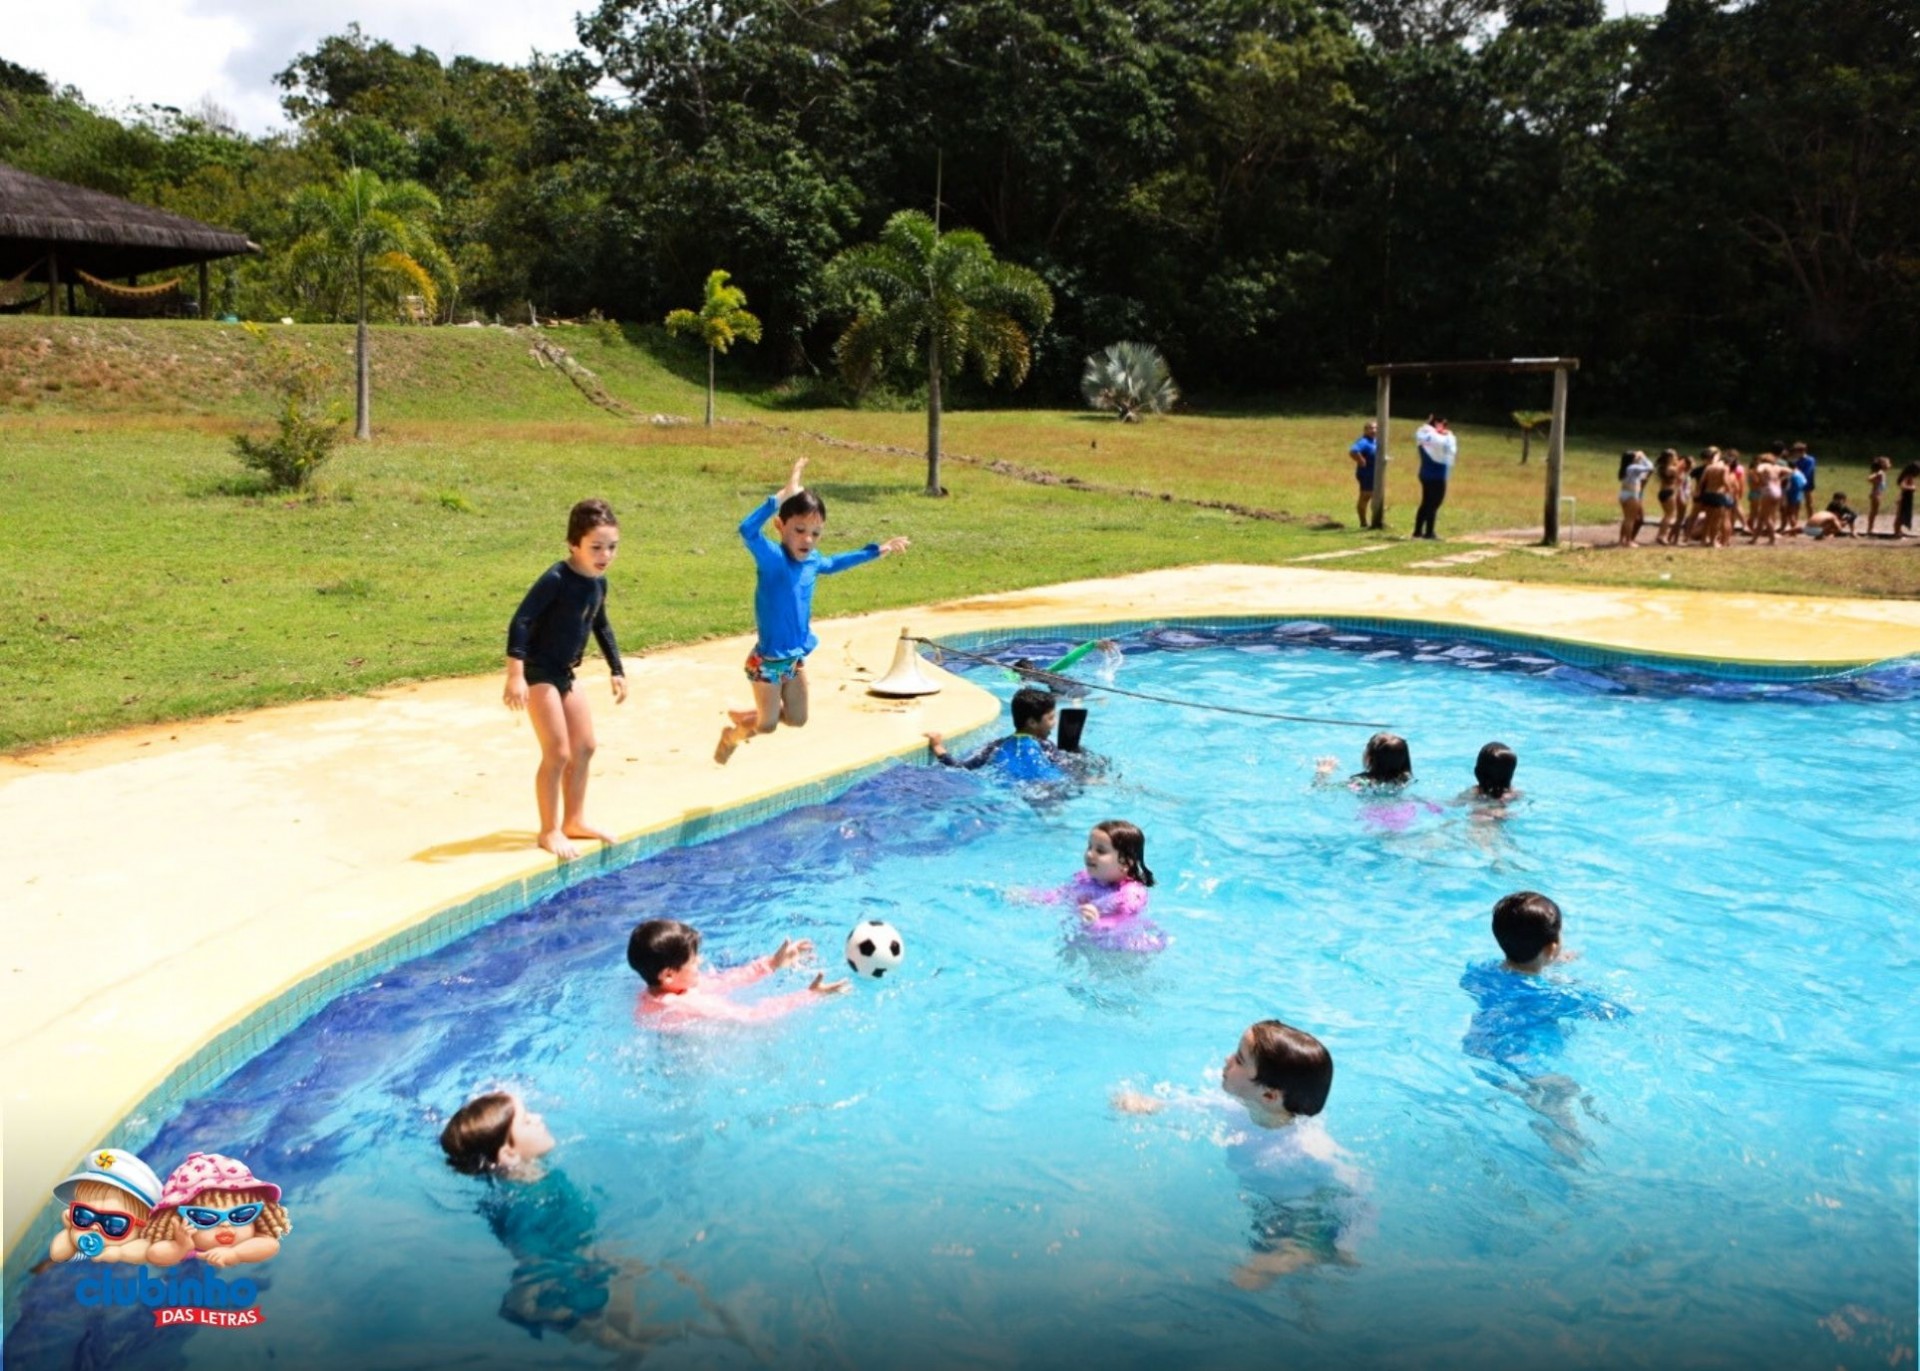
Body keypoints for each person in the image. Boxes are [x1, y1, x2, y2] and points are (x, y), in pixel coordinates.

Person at [440, 1092, 741, 1354]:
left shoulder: (532, 1177)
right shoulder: (526, 1207)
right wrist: (544, 1302)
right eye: (527, 1120)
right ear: (508, 1153)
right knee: (628, 1342)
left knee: (654, 1309)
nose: (539, 1116)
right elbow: (532, 1262)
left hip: (581, 1256)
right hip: (564, 1283)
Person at [1112, 1021, 1363, 1287]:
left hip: (1313, 1219)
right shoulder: (1237, 1109)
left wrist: (1308, 1243)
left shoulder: (1298, 1151)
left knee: (1248, 1280)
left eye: (1240, 1060)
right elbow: (1183, 1107)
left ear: (1269, 1095)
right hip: (1274, 1205)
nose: (1227, 1059)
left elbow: (1338, 1197)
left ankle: (1311, 1257)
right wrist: (1146, 1105)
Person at [717, 458, 910, 763]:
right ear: (780, 526)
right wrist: (783, 494)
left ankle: (750, 713)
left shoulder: (813, 561)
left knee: (797, 719)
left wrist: (877, 550)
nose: (807, 539)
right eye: (800, 529)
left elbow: (836, 563)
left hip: (794, 659)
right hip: (766, 661)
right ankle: (733, 735)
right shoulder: (772, 559)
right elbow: (746, 530)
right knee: (766, 726)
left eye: (815, 533)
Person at [1460, 894, 1629, 1160]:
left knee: (1538, 1096)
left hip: (1480, 1046)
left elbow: (1474, 982)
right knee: (1563, 1096)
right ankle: (1573, 1166)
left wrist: (1548, 961)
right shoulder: (1551, 996)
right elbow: (1613, 1012)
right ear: (1552, 949)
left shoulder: (1480, 971)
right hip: (1523, 1060)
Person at [505, 498, 628, 861]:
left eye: (611, 547)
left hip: (565, 672)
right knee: (557, 753)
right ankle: (549, 829)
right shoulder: (557, 578)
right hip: (539, 671)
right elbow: (521, 621)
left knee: (585, 746)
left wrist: (616, 668)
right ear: (574, 544)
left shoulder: (597, 583)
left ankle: (574, 820)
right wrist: (515, 675)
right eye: (596, 547)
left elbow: (600, 625)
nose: (605, 554)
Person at [628, 918, 847, 1026]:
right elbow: (753, 1016)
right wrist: (809, 995)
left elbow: (726, 981)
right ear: (668, 975)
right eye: (694, 961)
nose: (701, 961)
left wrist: (772, 963)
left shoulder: (659, 991)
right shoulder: (683, 1004)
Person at [1039, 820, 1164, 951]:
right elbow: (1061, 895)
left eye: (1100, 851)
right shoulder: (1086, 878)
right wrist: (1032, 897)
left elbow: (1123, 924)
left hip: (1120, 950)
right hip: (1088, 939)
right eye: (1089, 847)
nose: (1089, 854)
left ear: (1126, 863)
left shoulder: (1131, 894)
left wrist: (1096, 923)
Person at [925, 686, 1073, 781]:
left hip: (1013, 789)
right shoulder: (1046, 746)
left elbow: (960, 768)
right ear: (1032, 722)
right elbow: (1068, 770)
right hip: (1047, 787)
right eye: (1051, 718)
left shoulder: (994, 746)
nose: (1054, 722)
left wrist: (938, 747)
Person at [1410, 415, 1456, 540]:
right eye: (1444, 424)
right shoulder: (1440, 437)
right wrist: (1448, 434)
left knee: (1426, 502)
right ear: (1437, 423)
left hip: (1425, 473)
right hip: (1437, 474)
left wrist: (1440, 431)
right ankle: (1429, 533)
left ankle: (1417, 532)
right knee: (1435, 503)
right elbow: (1448, 445)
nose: (1446, 428)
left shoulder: (1422, 433)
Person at [1317, 731, 1412, 789]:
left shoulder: (1361, 782)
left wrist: (1322, 774)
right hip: (1403, 812)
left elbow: (1321, 789)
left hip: (1373, 813)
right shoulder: (1404, 779)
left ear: (1369, 757)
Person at [1459, 742, 1521, 813]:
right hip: (1502, 813)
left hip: (1480, 812)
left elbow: (1452, 805)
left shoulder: (1474, 792)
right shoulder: (1514, 794)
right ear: (1510, 775)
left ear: (1477, 772)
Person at [1616, 450, 1652, 546]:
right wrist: (1643, 457)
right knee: (1631, 519)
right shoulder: (1633, 467)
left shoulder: (1626, 468)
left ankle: (1621, 540)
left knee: (1626, 518)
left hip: (1623, 494)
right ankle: (1628, 541)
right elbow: (1650, 467)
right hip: (1632, 495)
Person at [1348, 420, 1379, 529]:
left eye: (1375, 428)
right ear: (1365, 430)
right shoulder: (1364, 441)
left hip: (1375, 474)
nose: (1373, 430)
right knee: (1365, 497)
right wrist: (1361, 460)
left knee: (1375, 496)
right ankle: (1364, 523)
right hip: (1366, 474)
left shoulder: (1375, 441)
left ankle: (1377, 521)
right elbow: (1353, 451)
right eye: (1370, 428)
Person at [1653, 449, 1682, 546]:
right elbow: (1680, 477)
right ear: (1670, 458)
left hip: (1662, 491)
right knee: (1670, 515)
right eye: (1675, 456)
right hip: (1669, 492)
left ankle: (1660, 535)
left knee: (1666, 514)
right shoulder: (1672, 469)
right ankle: (1662, 536)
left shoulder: (1663, 467)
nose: (1676, 458)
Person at [1866, 456, 1891, 536]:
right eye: (1888, 463)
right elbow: (1869, 478)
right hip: (1876, 494)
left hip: (1878, 494)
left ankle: (1870, 528)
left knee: (1875, 512)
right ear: (1883, 465)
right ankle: (1870, 529)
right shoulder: (1880, 472)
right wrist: (1877, 474)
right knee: (1874, 512)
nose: (1890, 465)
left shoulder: (1883, 473)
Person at [1894, 462, 1918, 538]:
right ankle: (1897, 533)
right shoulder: (1907, 476)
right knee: (1900, 516)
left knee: (1903, 515)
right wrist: (1912, 488)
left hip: (1907, 498)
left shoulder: (1910, 477)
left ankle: (1899, 531)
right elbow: (1902, 485)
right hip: (1903, 498)